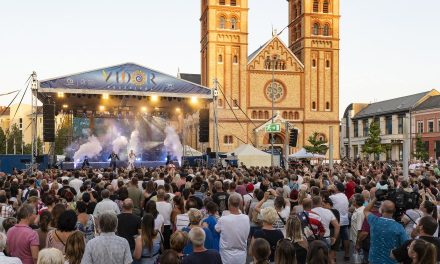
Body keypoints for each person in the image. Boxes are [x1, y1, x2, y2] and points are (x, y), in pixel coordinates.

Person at [364, 197, 408, 264]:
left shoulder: (374, 221)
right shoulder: (399, 227)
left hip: (374, 260)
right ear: (394, 211)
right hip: (391, 261)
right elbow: (406, 245)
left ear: (381, 210)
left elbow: (366, 210)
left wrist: (375, 198)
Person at [215, 193, 250, 264]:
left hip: (226, 255)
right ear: (240, 203)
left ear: (228, 203)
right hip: (241, 254)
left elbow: (216, 230)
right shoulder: (246, 218)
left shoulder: (223, 219)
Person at [329, 182, 350, 261]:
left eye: (335, 186)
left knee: (335, 237)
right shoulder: (345, 196)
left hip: (336, 220)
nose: (334, 187)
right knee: (345, 237)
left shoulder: (333, 197)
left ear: (337, 188)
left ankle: (333, 257)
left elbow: (326, 199)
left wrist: (329, 190)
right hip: (344, 220)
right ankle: (347, 254)